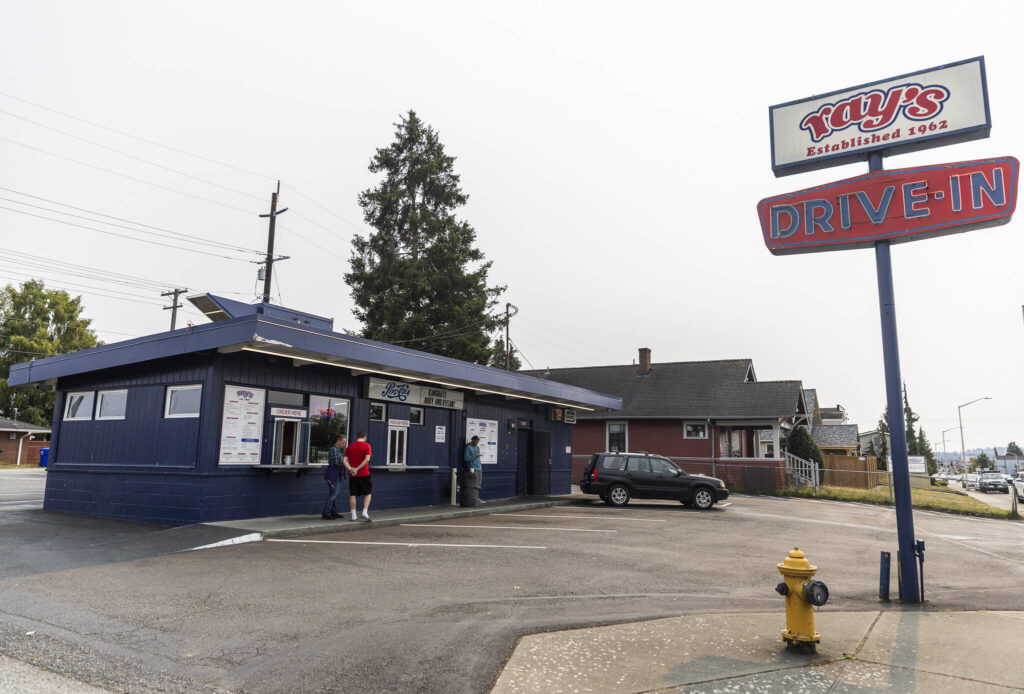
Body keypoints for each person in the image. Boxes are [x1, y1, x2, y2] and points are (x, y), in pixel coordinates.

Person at [344, 431, 373, 521]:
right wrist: (357, 469)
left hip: (352, 475)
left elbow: (344, 461)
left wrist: (351, 469)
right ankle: (364, 512)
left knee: (353, 494)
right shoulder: (366, 445)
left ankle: (353, 516)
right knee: (368, 493)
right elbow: (367, 459)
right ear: (364, 437)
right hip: (364, 473)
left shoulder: (349, 447)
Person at [321, 435, 347, 519]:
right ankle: (326, 513)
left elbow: (341, 461)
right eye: (343, 442)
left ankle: (333, 512)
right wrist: (346, 462)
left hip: (338, 473)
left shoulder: (338, 450)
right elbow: (337, 462)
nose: (344, 444)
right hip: (333, 473)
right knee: (333, 494)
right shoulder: (334, 449)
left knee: (336, 494)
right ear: (338, 441)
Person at [464, 435, 483, 500]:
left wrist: (480, 464)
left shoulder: (477, 447)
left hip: (479, 467)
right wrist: (475, 456)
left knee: (479, 483)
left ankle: (477, 497)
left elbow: (477, 457)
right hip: (472, 468)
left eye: (478, 442)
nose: (477, 443)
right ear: (473, 440)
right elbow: (466, 458)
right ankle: (474, 498)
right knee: (474, 484)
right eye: (476, 442)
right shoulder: (468, 447)